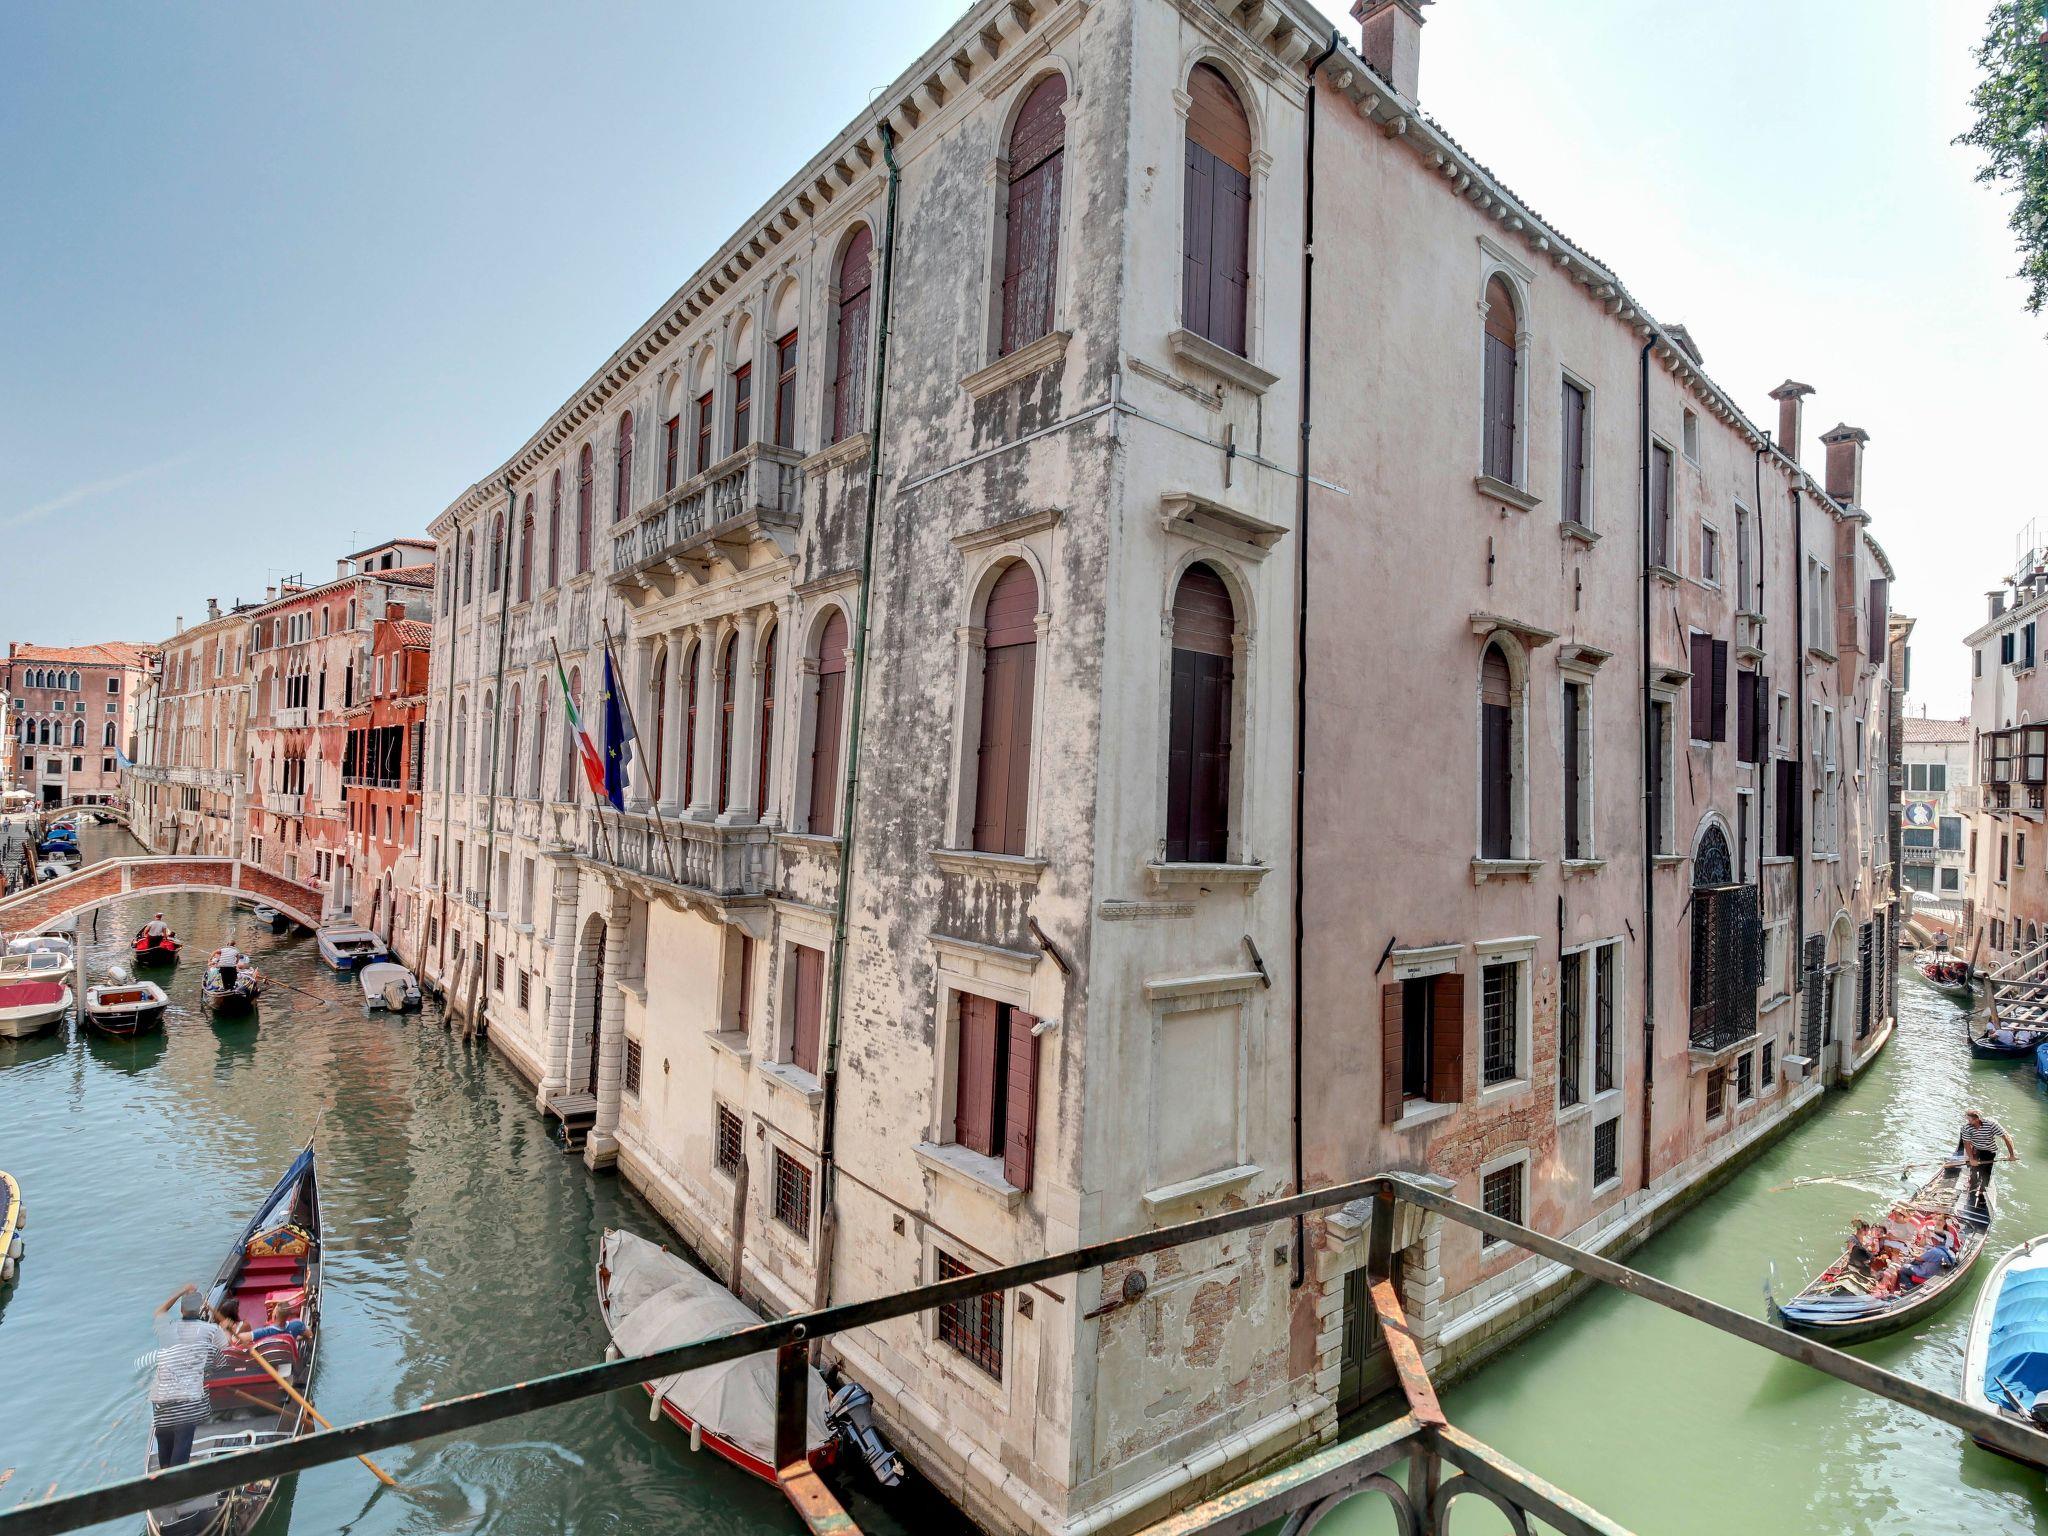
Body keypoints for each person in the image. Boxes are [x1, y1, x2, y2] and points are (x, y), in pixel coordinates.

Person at [151, 1284, 228, 1469]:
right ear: (199, 1309)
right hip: (187, 1396)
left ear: (181, 1310)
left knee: (165, 1442)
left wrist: (181, 1291)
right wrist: (223, 1326)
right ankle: (176, 1480)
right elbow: (226, 1351)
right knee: (182, 1443)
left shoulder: (168, 1328)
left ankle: (164, 1475)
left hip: (161, 1395)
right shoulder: (211, 1329)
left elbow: (160, 1311)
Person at [1958, 1109, 2017, 1210]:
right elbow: (1967, 1144)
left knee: (1985, 1173)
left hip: (1989, 1151)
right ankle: (1972, 1188)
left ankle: (1981, 1192)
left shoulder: (1991, 1124)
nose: (1968, 1122)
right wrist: (1971, 1159)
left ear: (1977, 1119)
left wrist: (2011, 1155)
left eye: (1969, 1120)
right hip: (1976, 1149)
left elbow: (2006, 1138)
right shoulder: (1966, 1128)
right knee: (1973, 1170)